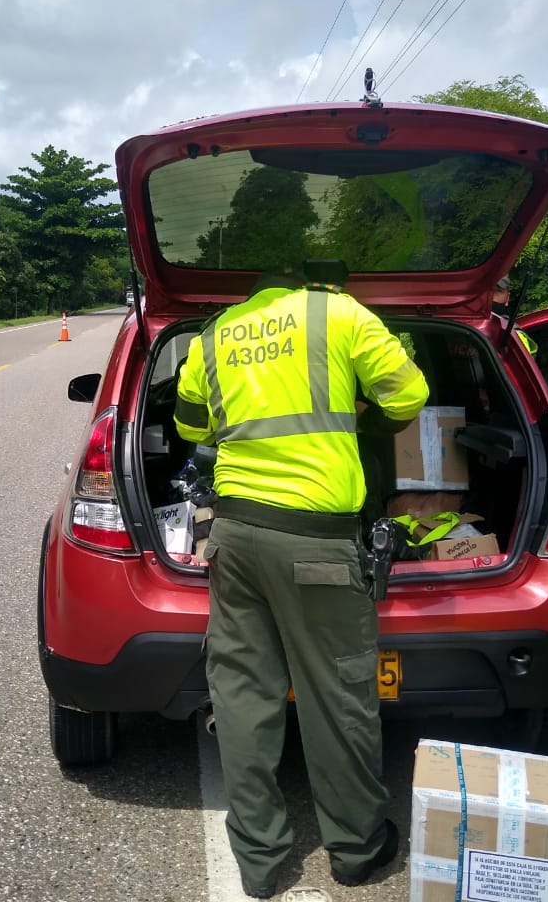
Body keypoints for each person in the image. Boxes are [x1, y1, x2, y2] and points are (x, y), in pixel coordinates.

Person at [173, 265, 428, 898]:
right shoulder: (338, 314)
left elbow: (189, 428)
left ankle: (258, 863)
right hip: (315, 542)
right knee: (336, 695)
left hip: (232, 537)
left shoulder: (212, 337)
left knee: (241, 694)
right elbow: (409, 397)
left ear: (256, 290)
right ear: (307, 283)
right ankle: (357, 849)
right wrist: (355, 418)